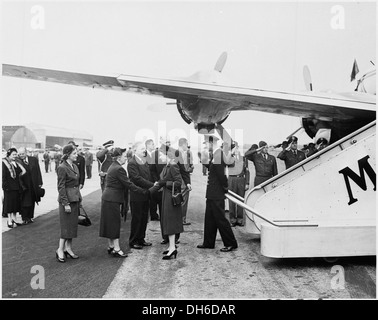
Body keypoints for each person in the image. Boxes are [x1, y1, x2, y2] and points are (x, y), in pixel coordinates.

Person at [99, 147, 151, 257]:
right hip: (112, 198)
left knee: (110, 223)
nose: (125, 159)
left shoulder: (114, 166)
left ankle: (111, 246)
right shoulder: (119, 169)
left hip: (109, 198)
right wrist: (143, 191)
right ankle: (117, 249)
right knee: (114, 224)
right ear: (118, 157)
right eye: (124, 156)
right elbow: (129, 184)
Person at [197, 135, 238, 252]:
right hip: (212, 193)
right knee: (209, 219)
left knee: (220, 219)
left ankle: (231, 243)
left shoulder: (218, 154)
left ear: (211, 143)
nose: (205, 145)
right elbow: (212, 169)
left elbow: (221, 175)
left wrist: (225, 188)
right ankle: (208, 242)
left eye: (206, 143)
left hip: (216, 193)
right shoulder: (215, 154)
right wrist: (203, 160)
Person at [56, 144, 82, 263]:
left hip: (75, 200)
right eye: (74, 153)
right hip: (66, 201)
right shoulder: (62, 167)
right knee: (66, 227)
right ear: (68, 155)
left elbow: (76, 185)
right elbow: (61, 187)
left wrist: (79, 199)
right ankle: (60, 249)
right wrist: (65, 203)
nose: (77, 155)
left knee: (72, 226)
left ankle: (68, 248)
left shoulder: (75, 166)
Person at [127, 141, 155, 249]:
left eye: (144, 148)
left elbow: (148, 175)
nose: (144, 150)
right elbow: (137, 179)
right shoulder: (132, 163)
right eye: (142, 149)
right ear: (135, 151)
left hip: (145, 194)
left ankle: (141, 239)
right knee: (137, 219)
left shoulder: (144, 161)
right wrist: (152, 185)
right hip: (137, 195)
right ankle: (133, 241)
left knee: (144, 218)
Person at [157, 149, 184, 260]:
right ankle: (171, 246)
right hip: (166, 196)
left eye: (161, 155)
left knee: (170, 222)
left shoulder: (173, 166)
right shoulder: (167, 166)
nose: (160, 157)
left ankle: (172, 248)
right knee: (167, 221)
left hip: (170, 198)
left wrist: (165, 183)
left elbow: (178, 182)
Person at [17, 147, 43, 224]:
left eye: (23, 154)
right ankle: (25, 218)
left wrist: (40, 182)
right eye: (20, 154)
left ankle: (30, 217)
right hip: (24, 186)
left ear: (26, 153)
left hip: (33, 184)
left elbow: (38, 171)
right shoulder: (18, 161)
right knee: (24, 202)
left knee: (32, 200)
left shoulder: (33, 160)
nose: (21, 155)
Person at [227, 141, 249, 227]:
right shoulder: (228, 158)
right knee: (232, 200)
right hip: (231, 179)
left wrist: (247, 182)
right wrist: (230, 153)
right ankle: (232, 219)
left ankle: (240, 219)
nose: (236, 149)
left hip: (241, 179)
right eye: (233, 147)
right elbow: (227, 163)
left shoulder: (243, 158)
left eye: (236, 147)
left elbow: (247, 171)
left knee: (240, 200)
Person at [2, 148, 26, 227]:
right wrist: (5, 187)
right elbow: (3, 176)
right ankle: (9, 221)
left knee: (15, 204)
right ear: (9, 155)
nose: (15, 156)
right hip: (9, 188)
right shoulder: (4, 163)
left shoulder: (16, 163)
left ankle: (14, 219)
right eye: (13, 154)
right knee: (9, 205)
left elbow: (22, 172)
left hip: (16, 187)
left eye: (16, 154)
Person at [178, 138, 194, 226]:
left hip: (183, 178)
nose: (187, 146)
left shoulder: (186, 153)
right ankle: (181, 219)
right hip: (183, 179)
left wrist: (190, 168)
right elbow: (185, 169)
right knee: (183, 199)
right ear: (183, 144)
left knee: (182, 198)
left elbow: (190, 166)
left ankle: (181, 218)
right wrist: (189, 169)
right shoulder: (181, 154)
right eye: (186, 144)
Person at [145, 139, 160, 221]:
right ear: (147, 145)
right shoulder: (145, 155)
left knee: (153, 198)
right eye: (152, 144)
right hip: (147, 179)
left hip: (153, 179)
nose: (153, 146)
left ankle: (153, 215)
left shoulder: (154, 154)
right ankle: (150, 215)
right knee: (148, 198)